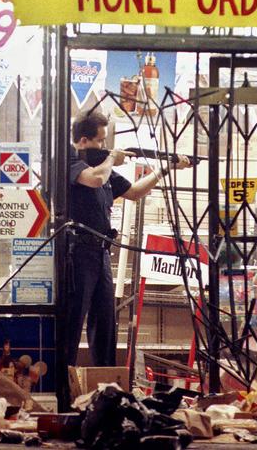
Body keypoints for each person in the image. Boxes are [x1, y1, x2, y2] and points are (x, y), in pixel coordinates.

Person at [67, 111, 191, 367]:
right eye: (100, 141)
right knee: (72, 321)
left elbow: (134, 192)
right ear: (82, 141)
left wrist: (164, 168)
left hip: (101, 252)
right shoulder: (71, 161)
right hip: (77, 253)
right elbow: (95, 179)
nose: (104, 146)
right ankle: (62, 385)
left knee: (105, 323)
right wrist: (112, 157)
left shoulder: (103, 167)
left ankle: (108, 381)